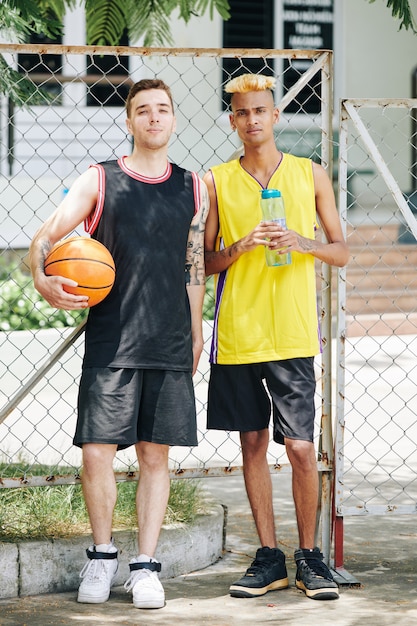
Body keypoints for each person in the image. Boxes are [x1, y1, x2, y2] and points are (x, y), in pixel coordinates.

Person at [29, 78, 208, 609]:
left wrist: (197, 331)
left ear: (174, 119)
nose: (154, 118)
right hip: (112, 340)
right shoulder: (99, 179)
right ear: (129, 121)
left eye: (164, 110)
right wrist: (42, 278)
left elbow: (192, 263)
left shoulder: (194, 186)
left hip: (170, 338)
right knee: (97, 454)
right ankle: (102, 557)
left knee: (157, 457)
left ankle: (146, 568)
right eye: (143, 111)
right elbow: (45, 237)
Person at [203, 74, 349, 602]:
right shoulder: (217, 179)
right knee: (252, 444)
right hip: (239, 334)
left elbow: (341, 250)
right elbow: (205, 258)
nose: (252, 120)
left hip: (291, 335)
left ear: (275, 115)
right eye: (242, 113)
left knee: (302, 449)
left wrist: (301, 241)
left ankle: (309, 557)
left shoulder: (310, 175)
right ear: (234, 120)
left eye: (261, 111)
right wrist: (240, 245)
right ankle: (269, 558)